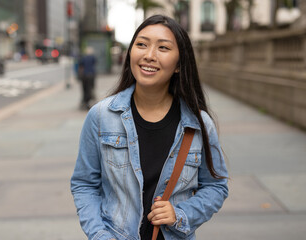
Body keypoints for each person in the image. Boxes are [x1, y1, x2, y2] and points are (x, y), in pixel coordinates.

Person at [71, 15, 228, 240]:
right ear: (130, 53)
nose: (149, 55)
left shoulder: (199, 124)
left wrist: (181, 214)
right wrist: (99, 235)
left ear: (178, 65)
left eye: (163, 48)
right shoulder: (101, 116)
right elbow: (84, 184)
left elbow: (216, 186)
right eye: (142, 44)